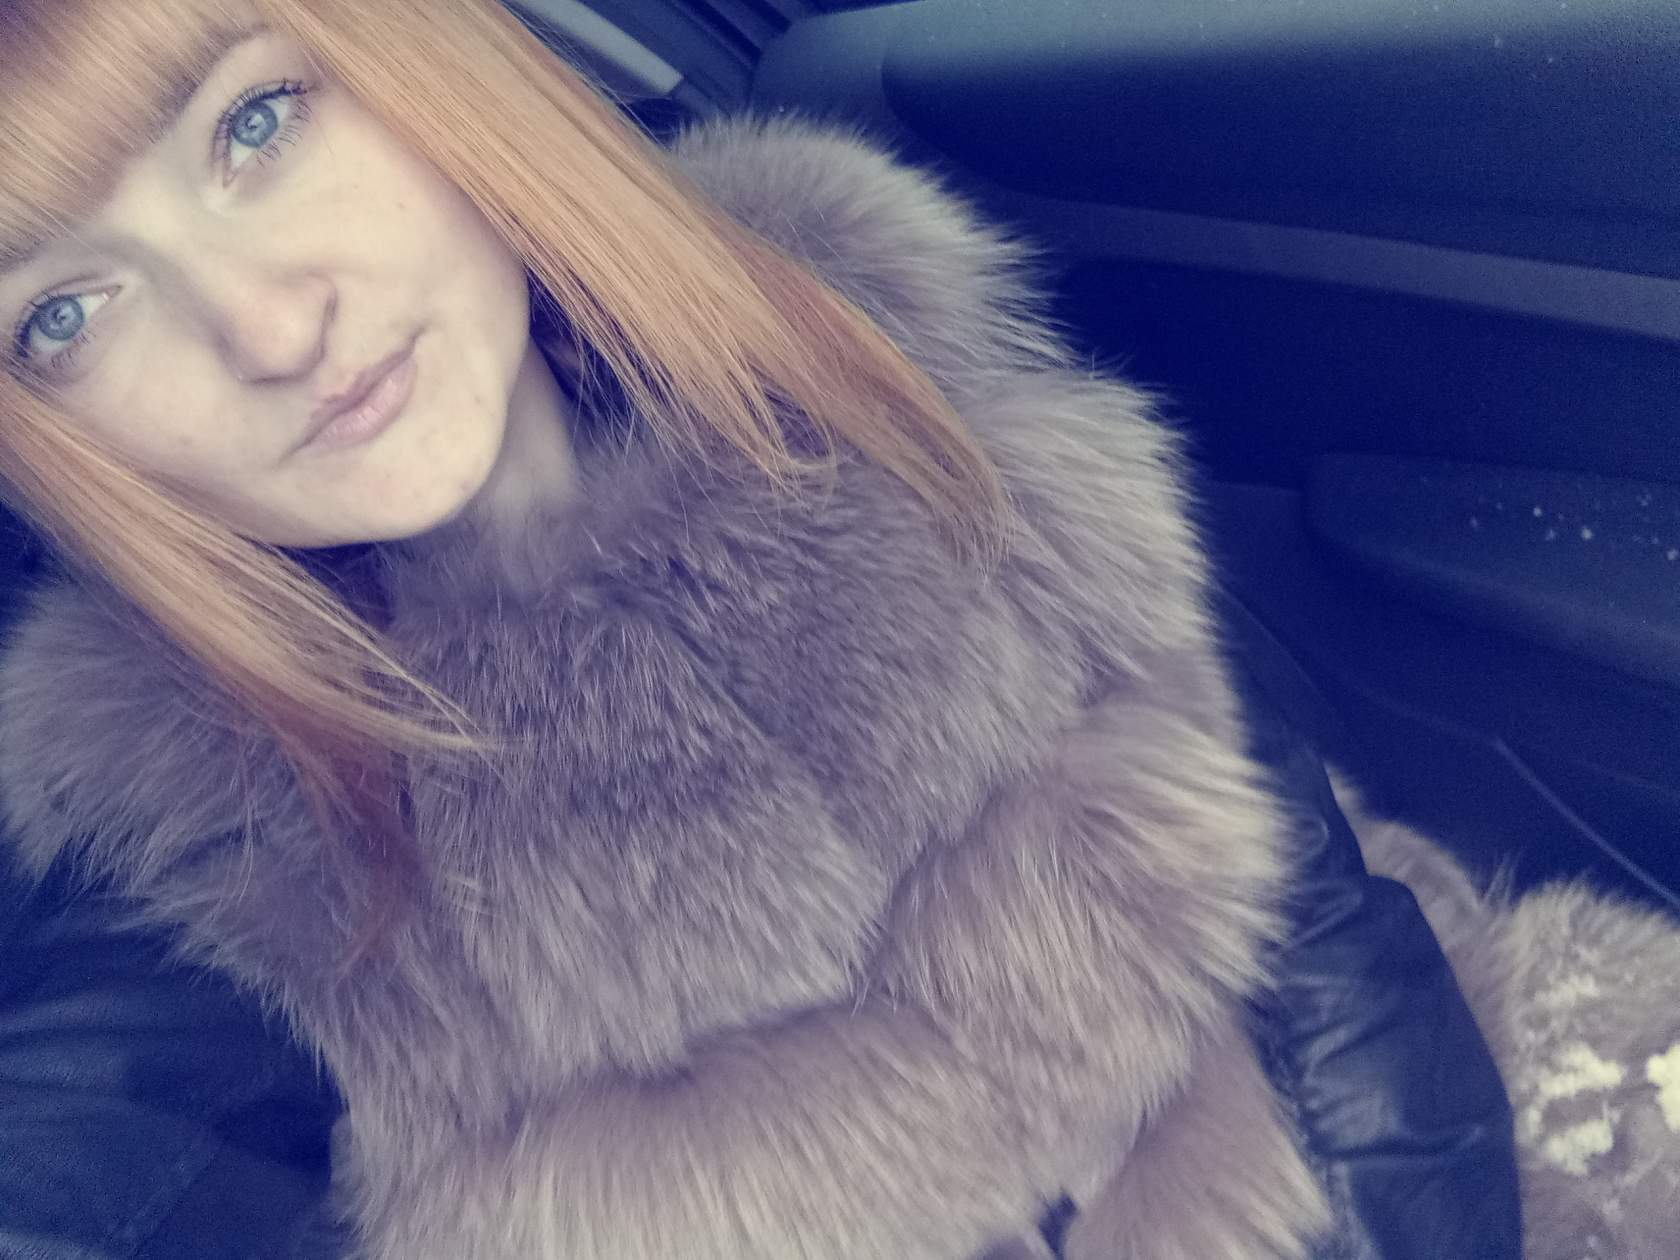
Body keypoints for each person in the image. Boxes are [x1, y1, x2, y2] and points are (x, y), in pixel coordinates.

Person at [0, 1, 1668, 1256]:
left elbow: (1301, 885)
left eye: (256, 122)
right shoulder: (181, 864)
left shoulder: (846, 343)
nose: (269, 328)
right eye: (62, 313)